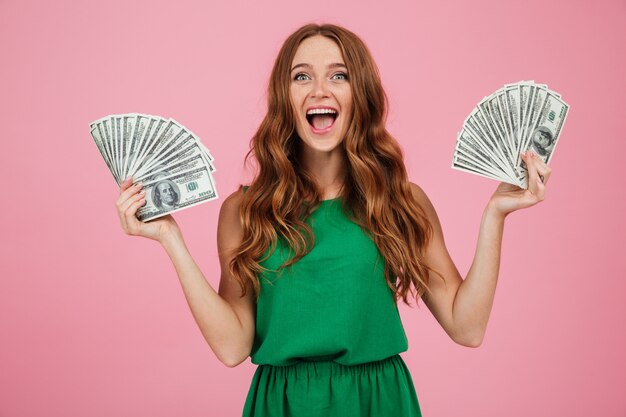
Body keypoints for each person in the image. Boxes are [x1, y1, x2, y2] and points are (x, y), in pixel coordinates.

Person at [114, 23, 552, 417]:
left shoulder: (401, 201)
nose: (319, 90)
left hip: (379, 401)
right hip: (282, 403)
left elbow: (467, 326)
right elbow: (232, 347)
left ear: (358, 94)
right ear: (284, 97)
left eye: (338, 76)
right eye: (301, 76)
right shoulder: (244, 211)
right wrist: (170, 239)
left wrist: (496, 214)